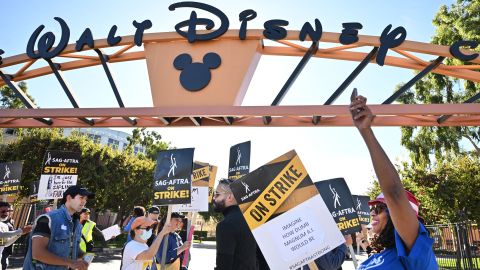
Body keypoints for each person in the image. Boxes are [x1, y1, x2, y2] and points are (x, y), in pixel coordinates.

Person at [350, 95, 438, 269]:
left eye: (380, 209)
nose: (373, 214)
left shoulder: (417, 255)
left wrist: (365, 131)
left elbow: (394, 193)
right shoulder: (375, 258)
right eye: (373, 209)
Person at [23, 185, 94, 270]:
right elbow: (38, 253)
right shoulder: (48, 219)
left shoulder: (77, 223)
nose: (84, 202)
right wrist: (70, 262)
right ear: (68, 198)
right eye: (81, 197)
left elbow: (72, 248)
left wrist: (85, 256)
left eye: (85, 199)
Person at [213, 178, 258, 270]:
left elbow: (224, 265)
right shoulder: (253, 220)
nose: (213, 198)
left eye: (217, 194)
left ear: (229, 197)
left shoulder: (226, 225)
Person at [0, 202, 32, 269]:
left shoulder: (4, 226)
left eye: (8, 211)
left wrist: (19, 234)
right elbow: (1, 235)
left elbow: (5, 244)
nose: (6, 213)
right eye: (3, 211)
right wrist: (20, 231)